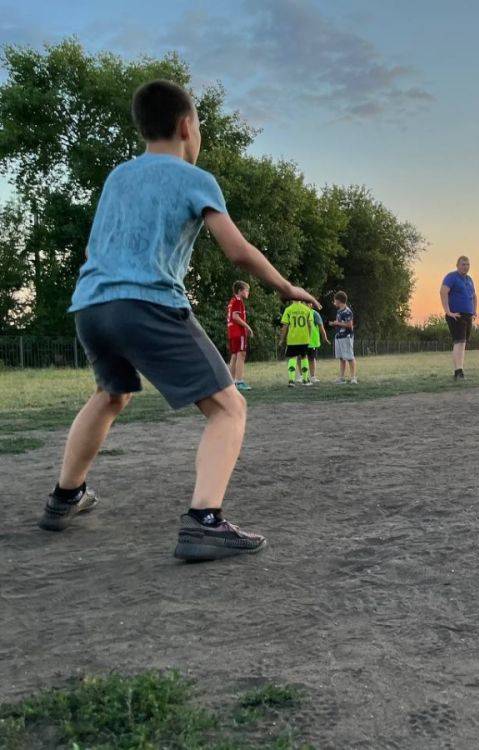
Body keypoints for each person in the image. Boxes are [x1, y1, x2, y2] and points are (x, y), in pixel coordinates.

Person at [40, 79, 317, 561]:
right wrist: (287, 287)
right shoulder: (195, 179)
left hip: (91, 305)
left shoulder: (118, 177)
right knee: (228, 408)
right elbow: (237, 251)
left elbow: (92, 249)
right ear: (187, 125)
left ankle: (65, 497)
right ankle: (204, 522)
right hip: (147, 304)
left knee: (111, 395)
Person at [440, 256, 476, 380]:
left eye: (467, 264)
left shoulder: (469, 279)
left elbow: (474, 296)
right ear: (457, 265)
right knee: (459, 342)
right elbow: (443, 292)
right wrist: (448, 311)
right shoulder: (451, 277)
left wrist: (474, 311)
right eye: (463, 264)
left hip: (467, 315)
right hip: (456, 315)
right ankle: (458, 372)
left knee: (463, 343)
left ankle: (460, 370)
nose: (466, 266)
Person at [227, 280, 253, 391]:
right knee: (241, 355)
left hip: (232, 332)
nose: (248, 293)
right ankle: (239, 381)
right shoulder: (238, 301)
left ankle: (230, 381)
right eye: (246, 290)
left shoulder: (232, 301)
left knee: (234, 356)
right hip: (238, 332)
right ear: (239, 291)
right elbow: (235, 317)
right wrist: (247, 327)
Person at [330, 290, 357, 383]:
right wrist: (334, 323)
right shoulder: (339, 311)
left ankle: (353, 378)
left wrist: (337, 323)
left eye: (335, 300)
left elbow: (350, 325)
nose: (334, 302)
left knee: (350, 357)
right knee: (341, 358)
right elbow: (340, 323)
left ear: (339, 300)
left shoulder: (347, 311)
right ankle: (341, 378)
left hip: (346, 337)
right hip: (339, 337)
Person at [305, 300, 330, 383]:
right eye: (305, 303)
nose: (307, 305)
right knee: (301, 358)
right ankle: (302, 376)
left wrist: (325, 338)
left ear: (311, 305)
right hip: (302, 341)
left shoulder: (315, 314)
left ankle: (312, 377)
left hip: (312, 342)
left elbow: (321, 327)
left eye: (308, 303)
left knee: (311, 359)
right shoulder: (300, 313)